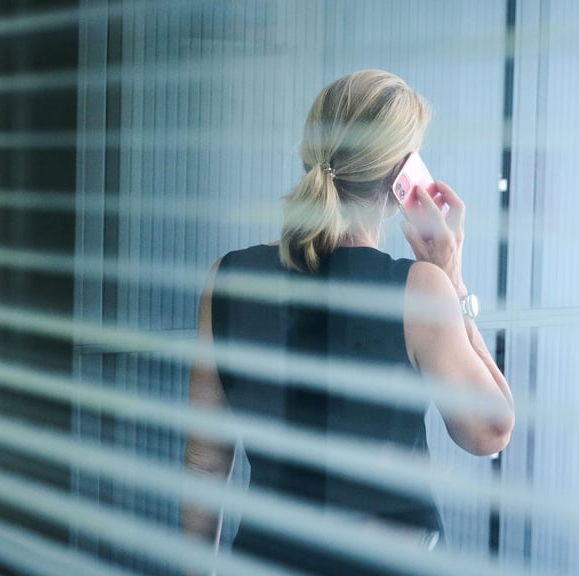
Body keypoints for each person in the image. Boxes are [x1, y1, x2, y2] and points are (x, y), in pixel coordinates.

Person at [182, 69, 515, 575]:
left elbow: (206, 462)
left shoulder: (226, 279)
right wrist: (454, 281)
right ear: (401, 177)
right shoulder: (419, 290)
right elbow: (489, 430)